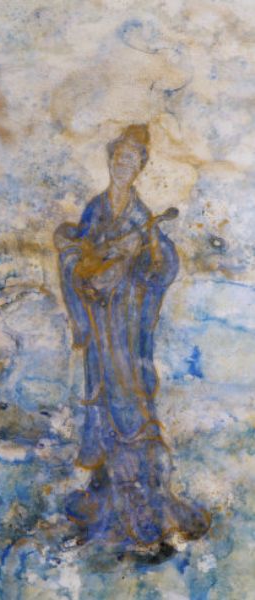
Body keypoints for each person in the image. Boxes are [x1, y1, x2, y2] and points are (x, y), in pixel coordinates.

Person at [54, 124, 211, 548]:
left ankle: (144, 497)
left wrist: (146, 251)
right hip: (99, 319)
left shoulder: (142, 217)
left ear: (140, 167)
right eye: (119, 157)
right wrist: (86, 262)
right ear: (111, 160)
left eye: (132, 160)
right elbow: (77, 252)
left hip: (126, 322)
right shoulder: (96, 208)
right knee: (103, 392)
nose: (124, 165)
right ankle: (106, 491)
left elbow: (159, 269)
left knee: (130, 391)